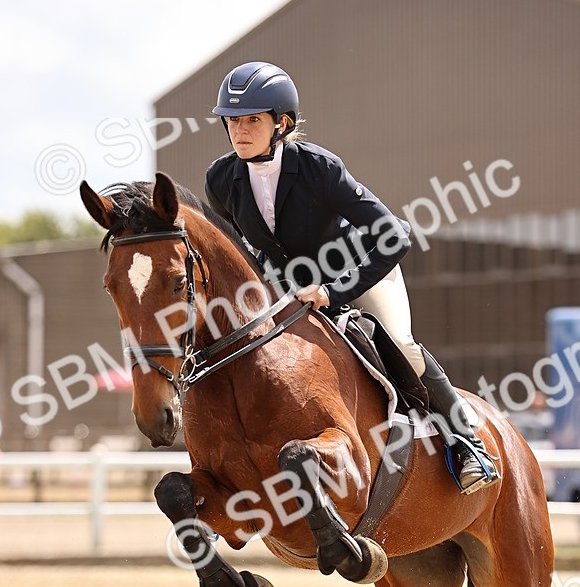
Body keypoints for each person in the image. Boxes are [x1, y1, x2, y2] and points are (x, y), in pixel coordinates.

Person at [204, 61, 499, 496]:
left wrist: (332, 291)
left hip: (358, 273)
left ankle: (467, 444)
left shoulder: (319, 168)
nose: (239, 131)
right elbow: (242, 250)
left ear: (281, 124)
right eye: (232, 121)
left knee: (400, 343)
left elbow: (394, 233)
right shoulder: (220, 180)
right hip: (291, 290)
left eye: (252, 120)